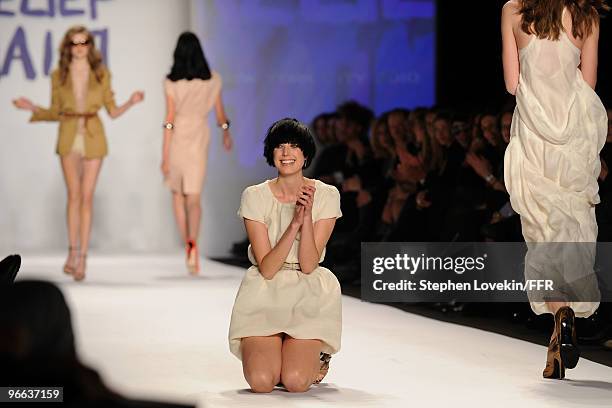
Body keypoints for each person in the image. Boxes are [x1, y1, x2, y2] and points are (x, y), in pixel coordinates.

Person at [502, 0, 609, 378]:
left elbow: (512, 83)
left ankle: (559, 311)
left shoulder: (514, 9)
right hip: (572, 140)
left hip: (534, 136)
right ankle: (561, 327)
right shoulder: (585, 14)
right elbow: (589, 83)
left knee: (542, 234)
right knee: (571, 228)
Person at [13, 26, 144, 281]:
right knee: (73, 196)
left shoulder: (101, 73)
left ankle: (83, 257)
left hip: (93, 135)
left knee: (86, 196)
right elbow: (55, 112)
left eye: (84, 42)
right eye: (74, 43)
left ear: (90, 45)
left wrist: (131, 101)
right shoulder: (58, 75)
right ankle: (72, 253)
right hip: (69, 134)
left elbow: (113, 111)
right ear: (68, 47)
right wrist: (32, 107)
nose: (80, 47)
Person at [228, 118, 342, 393]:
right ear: (271, 153)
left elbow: (309, 264)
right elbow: (267, 269)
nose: (286, 153)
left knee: (295, 381)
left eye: (294, 146)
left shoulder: (326, 195)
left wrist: (305, 218)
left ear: (305, 154)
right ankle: (276, 350)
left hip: (307, 290)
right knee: (261, 382)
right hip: (265, 291)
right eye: (279, 146)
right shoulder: (254, 196)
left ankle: (311, 357)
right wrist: (293, 224)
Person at [161, 32, 233, 275]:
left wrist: (164, 155)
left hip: (179, 136)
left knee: (177, 195)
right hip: (200, 136)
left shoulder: (171, 82)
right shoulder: (213, 80)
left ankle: (188, 244)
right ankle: (193, 241)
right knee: (194, 197)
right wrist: (225, 132)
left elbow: (169, 120)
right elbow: (220, 113)